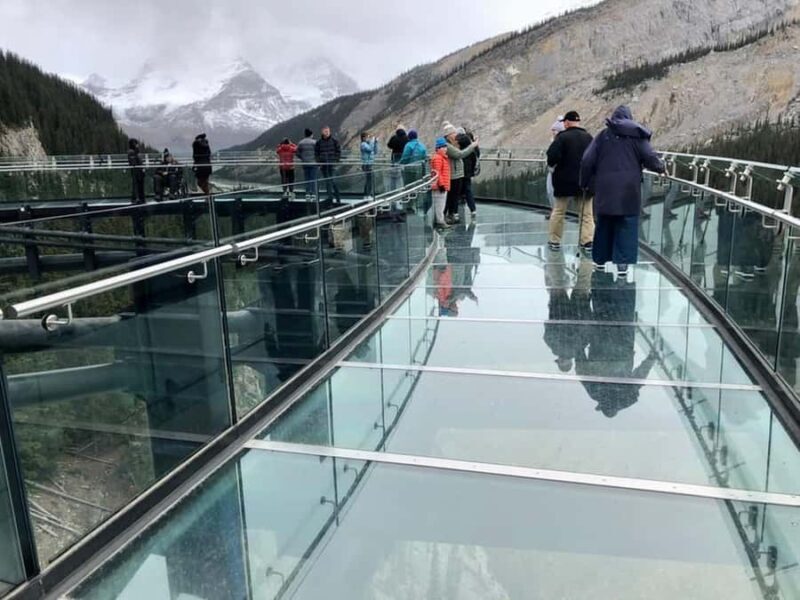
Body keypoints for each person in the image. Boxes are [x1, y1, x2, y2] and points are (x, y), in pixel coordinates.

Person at [580, 105, 666, 278]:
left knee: (604, 225)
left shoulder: (603, 136)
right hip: (629, 191)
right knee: (626, 226)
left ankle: (600, 261)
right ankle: (622, 266)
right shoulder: (637, 137)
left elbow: (586, 160)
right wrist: (661, 168)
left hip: (604, 190)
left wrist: (584, 182)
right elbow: (650, 157)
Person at [546, 110, 594, 252]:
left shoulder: (562, 138)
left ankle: (555, 240)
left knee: (559, 211)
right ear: (578, 122)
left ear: (566, 122)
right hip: (584, 182)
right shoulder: (589, 138)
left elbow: (552, 157)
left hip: (564, 182)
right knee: (586, 214)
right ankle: (587, 242)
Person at [442, 122, 478, 224]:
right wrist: (473, 146)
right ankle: (449, 215)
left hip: (457, 173)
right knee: (452, 196)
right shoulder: (448, 146)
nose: (456, 136)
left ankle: (452, 214)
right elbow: (459, 154)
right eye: (453, 134)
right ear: (449, 135)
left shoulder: (452, 144)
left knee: (454, 196)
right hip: (453, 174)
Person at [456, 127, 481, 219]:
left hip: (458, 171)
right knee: (468, 190)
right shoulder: (470, 144)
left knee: (456, 191)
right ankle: (473, 209)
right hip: (467, 172)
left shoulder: (456, 144)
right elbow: (476, 156)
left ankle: (455, 212)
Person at [314, 126, 342, 203]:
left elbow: (338, 151)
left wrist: (336, 160)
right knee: (327, 181)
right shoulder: (319, 142)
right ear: (322, 132)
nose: (327, 133)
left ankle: (337, 197)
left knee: (332, 180)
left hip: (332, 164)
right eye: (325, 131)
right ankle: (330, 197)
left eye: (328, 131)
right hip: (323, 165)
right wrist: (319, 162)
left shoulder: (334, 141)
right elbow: (316, 153)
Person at [545, 117, 565, 219]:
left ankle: (556, 213)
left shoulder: (560, 142)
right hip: (553, 172)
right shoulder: (555, 141)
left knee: (554, 193)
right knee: (550, 192)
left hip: (557, 173)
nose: (553, 132)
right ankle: (554, 210)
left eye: (554, 130)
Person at [430, 137, 451, 229]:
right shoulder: (438, 158)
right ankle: (440, 221)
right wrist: (442, 185)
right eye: (443, 147)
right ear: (438, 148)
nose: (445, 149)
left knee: (440, 204)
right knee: (439, 205)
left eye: (446, 146)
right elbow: (437, 173)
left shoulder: (441, 158)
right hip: (439, 186)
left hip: (441, 185)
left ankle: (439, 220)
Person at [295, 128, 317, 198]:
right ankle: (313, 193)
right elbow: (318, 152)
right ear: (311, 135)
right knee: (313, 178)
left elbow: (297, 152)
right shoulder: (314, 142)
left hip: (305, 163)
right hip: (313, 163)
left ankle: (307, 193)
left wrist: (302, 157)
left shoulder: (301, 143)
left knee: (307, 178)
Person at [386, 125, 409, 191]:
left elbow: (389, 145)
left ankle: (393, 190)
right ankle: (404, 190)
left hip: (394, 159)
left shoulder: (394, 138)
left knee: (393, 176)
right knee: (404, 176)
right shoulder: (407, 138)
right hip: (403, 160)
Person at [360, 131, 378, 198]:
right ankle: (367, 194)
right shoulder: (363, 144)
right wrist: (372, 141)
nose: (369, 138)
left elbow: (375, 151)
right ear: (363, 138)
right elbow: (370, 149)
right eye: (368, 137)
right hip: (366, 164)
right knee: (368, 180)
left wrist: (376, 143)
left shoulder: (369, 144)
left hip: (370, 164)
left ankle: (367, 194)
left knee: (369, 180)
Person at [127, 138, 146, 204]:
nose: (137, 145)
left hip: (139, 170)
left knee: (139, 184)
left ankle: (140, 197)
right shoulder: (131, 152)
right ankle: (136, 198)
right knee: (136, 185)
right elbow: (133, 162)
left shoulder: (135, 152)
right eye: (136, 144)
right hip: (136, 171)